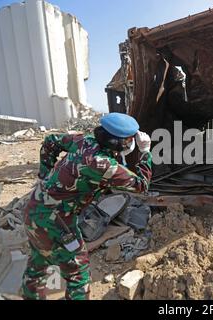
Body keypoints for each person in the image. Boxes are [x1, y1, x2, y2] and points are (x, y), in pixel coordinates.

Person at [21, 113, 152, 300]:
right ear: (117, 142)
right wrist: (145, 151)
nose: (132, 142)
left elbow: (51, 141)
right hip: (56, 222)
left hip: (34, 207)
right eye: (130, 139)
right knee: (78, 274)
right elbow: (141, 185)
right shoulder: (103, 165)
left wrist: (45, 174)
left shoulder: (83, 140)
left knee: (39, 260)